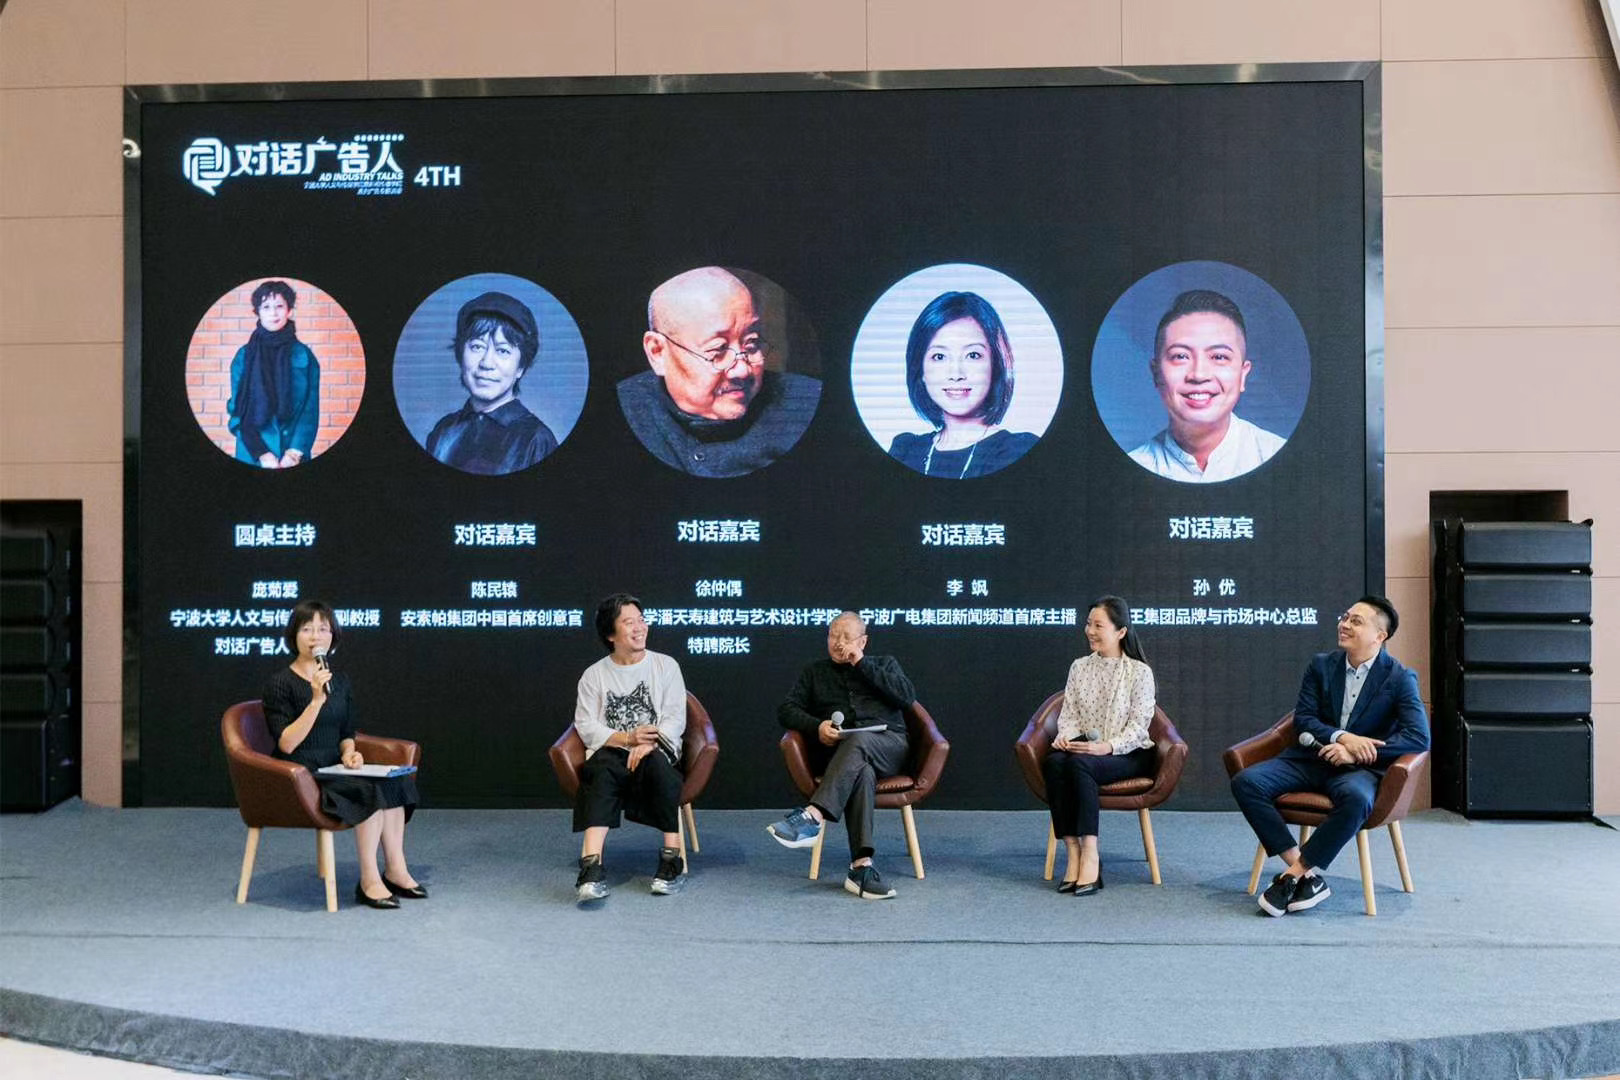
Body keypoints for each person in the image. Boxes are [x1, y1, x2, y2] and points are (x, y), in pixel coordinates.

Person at [1231, 596, 1430, 916]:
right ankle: (1305, 873)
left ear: (1380, 636)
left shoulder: (1399, 678)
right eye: (1345, 617)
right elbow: (1304, 719)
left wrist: (1354, 754)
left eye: (1356, 621)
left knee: (1357, 799)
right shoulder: (1321, 666)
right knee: (1247, 782)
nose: (1344, 624)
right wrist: (1343, 738)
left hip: (1359, 770)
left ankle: (1291, 877)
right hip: (1312, 759)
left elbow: (1417, 737)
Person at [260, 600, 423, 910]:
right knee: (367, 792)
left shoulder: (340, 680)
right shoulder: (280, 683)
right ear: (293, 636)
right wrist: (315, 700)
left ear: (333, 636)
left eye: (323, 629)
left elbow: (347, 730)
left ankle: (396, 869)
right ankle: (369, 881)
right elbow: (287, 744)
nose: (315, 636)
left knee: (395, 783)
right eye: (307, 629)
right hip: (301, 770)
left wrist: (350, 754)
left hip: (334, 766)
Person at [617, 267, 820, 478]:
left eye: (751, 344)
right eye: (718, 351)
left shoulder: (807, 405)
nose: (742, 370)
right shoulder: (627, 408)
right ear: (657, 351)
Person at [768, 610, 916, 900]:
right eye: (833, 636)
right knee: (862, 772)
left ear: (863, 641)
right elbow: (786, 710)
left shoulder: (884, 664)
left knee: (860, 741)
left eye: (846, 637)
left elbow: (906, 696)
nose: (838, 643)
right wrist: (817, 726)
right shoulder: (814, 672)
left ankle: (813, 815)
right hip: (845, 758)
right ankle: (861, 868)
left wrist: (861, 663)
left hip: (889, 746)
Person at [571, 592, 688, 903]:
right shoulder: (594, 675)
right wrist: (627, 739)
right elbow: (585, 724)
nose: (639, 628)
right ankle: (591, 868)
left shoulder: (666, 666)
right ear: (611, 634)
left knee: (659, 766)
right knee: (601, 769)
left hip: (656, 751)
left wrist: (649, 743)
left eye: (641, 620)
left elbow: (675, 717)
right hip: (612, 752)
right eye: (628, 622)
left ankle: (671, 860)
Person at [1043, 596, 1157, 895]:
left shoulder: (1139, 672)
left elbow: (1139, 728)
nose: (1090, 631)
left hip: (1128, 753)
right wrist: (1066, 738)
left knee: (1080, 764)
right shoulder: (1079, 667)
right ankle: (1073, 851)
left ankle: (1091, 853)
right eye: (1088, 624)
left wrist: (1107, 746)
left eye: (1098, 625)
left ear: (1121, 632)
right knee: (1054, 761)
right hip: (1088, 750)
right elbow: (1069, 715)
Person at [1128, 289, 1286, 483]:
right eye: (1180, 356)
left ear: (1243, 375)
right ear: (1156, 373)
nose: (1199, 375)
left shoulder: (1280, 459)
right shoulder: (1131, 471)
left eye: (1219, 357)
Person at [888, 291, 1038, 479]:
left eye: (973, 355)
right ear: (921, 371)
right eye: (939, 356)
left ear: (995, 366)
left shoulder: (1019, 449)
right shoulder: (905, 450)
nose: (956, 374)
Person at [424, 291, 558, 474]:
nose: (486, 363)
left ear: (521, 367)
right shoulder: (443, 430)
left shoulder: (537, 439)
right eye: (477, 347)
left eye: (503, 351)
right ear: (460, 355)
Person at [227, 280, 319, 469]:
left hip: (292, 452)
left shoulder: (304, 356)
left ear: (289, 310)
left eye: (279, 306)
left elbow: (310, 409)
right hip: (252, 452)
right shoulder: (244, 356)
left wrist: (294, 452)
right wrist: (262, 454)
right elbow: (238, 409)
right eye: (266, 307)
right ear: (258, 312)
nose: (273, 313)